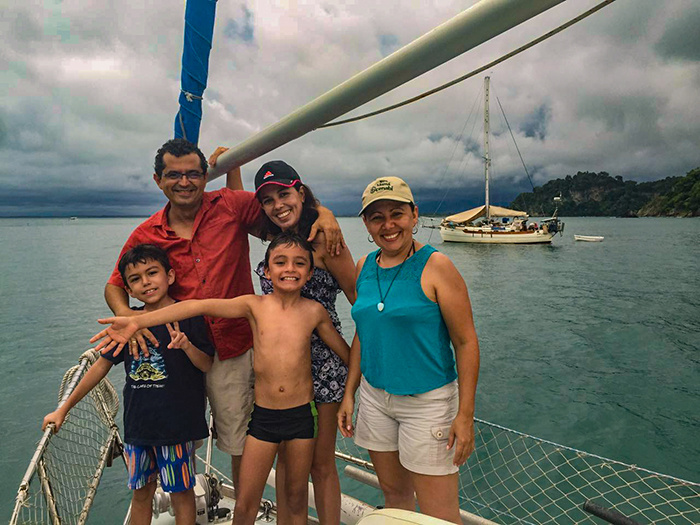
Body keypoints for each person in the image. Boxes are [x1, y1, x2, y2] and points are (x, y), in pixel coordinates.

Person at [104, 139, 344, 494]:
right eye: (174, 175)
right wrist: (129, 319)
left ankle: (261, 506)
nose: (184, 182)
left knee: (250, 437)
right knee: (207, 441)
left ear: (205, 177)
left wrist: (325, 213)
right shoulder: (146, 233)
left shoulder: (230, 205)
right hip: (185, 352)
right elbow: (115, 285)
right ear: (158, 180)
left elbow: (286, 217)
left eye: (193, 174)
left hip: (240, 344)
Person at [91, 232, 351, 525]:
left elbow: (346, 353)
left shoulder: (315, 312)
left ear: (309, 272)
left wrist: (350, 394)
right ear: (267, 270)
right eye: (280, 262)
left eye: (299, 263)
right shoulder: (254, 306)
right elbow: (197, 306)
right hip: (263, 419)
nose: (290, 269)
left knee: (295, 497)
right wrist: (137, 320)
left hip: (302, 416)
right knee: (245, 505)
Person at [337, 176, 480, 524]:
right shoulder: (364, 267)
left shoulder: (437, 266)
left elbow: (466, 342)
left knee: (439, 515)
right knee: (396, 500)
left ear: (414, 215)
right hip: (375, 398)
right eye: (377, 217)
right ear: (367, 224)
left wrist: (465, 415)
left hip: (428, 404)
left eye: (396, 214)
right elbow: (364, 334)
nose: (388, 225)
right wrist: (349, 393)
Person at [44, 244, 214, 525]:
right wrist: (63, 409)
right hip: (138, 427)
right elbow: (100, 366)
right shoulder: (127, 324)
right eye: (136, 279)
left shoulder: (189, 315)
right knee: (141, 493)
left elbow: (206, 364)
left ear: (170, 276)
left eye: (152, 273)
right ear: (129, 291)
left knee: (182, 493)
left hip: (177, 427)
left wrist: (186, 346)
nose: (146, 282)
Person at [248, 159, 355, 525]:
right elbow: (233, 205)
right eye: (268, 200)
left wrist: (363, 369)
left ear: (301, 192)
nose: (278, 205)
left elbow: (360, 298)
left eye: (285, 194)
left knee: (321, 465)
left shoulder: (324, 239)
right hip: (280, 369)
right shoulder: (273, 238)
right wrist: (235, 162)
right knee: (285, 464)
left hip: (323, 365)